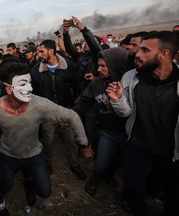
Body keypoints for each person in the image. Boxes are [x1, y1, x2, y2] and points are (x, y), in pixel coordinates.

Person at [0, 63, 89, 216]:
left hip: (34, 154)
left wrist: (84, 144)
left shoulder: (41, 105)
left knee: (45, 191)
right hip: (8, 155)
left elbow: (72, 116)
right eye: (22, 84)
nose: (30, 89)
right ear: (8, 89)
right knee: (6, 184)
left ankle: (29, 183)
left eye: (29, 83)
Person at [106, 31, 179, 216]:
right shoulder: (131, 77)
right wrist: (117, 100)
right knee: (134, 192)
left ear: (165, 54)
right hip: (138, 149)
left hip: (173, 155)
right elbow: (126, 112)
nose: (137, 53)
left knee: (173, 198)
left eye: (145, 50)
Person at [73, 47, 129, 196]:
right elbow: (83, 103)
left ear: (115, 65)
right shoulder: (96, 83)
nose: (98, 69)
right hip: (107, 133)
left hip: (129, 135)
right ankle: (95, 179)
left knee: (119, 162)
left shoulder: (129, 84)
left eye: (103, 66)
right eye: (98, 65)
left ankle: (109, 175)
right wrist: (71, 114)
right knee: (100, 163)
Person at [31, 39, 88, 178]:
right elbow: (35, 94)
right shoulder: (35, 71)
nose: (38, 54)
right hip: (47, 114)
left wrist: (74, 106)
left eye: (41, 51)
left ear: (51, 51)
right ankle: (48, 162)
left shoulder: (69, 66)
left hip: (66, 110)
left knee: (72, 140)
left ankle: (74, 164)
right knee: (48, 141)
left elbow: (77, 86)